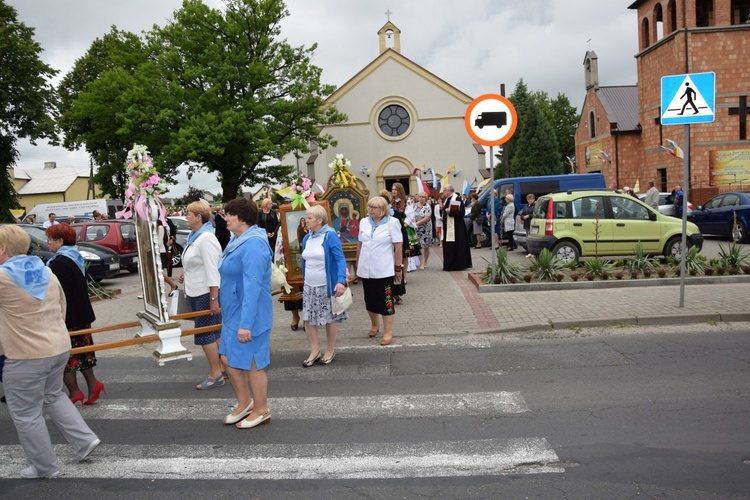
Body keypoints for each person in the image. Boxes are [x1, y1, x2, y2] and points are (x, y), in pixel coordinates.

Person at [0, 225, 101, 479]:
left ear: (2, 248)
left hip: (24, 354)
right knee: (53, 396)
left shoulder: (3, 278)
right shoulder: (46, 271)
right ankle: (84, 439)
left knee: (25, 414)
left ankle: (45, 467)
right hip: (58, 347)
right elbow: (61, 309)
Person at [217, 198, 273, 429]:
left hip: (249, 314)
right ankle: (245, 403)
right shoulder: (238, 239)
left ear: (242, 218)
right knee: (227, 359)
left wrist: (246, 325)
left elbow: (252, 286)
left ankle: (262, 409)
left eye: (229, 214)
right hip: (233, 311)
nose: (226, 218)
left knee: (252, 363)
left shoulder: (254, 244)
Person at [45, 223, 105, 406]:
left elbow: (62, 295)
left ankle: (74, 392)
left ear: (60, 241)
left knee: (66, 358)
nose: (47, 243)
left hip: (69, 318)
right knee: (83, 354)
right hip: (83, 315)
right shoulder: (75, 256)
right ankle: (93, 383)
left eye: (50, 240)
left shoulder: (59, 263)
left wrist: (58, 320)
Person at [178, 201, 224, 391]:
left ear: (199, 217)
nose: (186, 216)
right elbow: (197, 263)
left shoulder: (205, 238)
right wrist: (186, 272)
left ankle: (216, 374)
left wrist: (214, 299)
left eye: (189, 214)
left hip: (206, 292)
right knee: (214, 332)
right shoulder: (194, 237)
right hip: (198, 290)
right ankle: (224, 368)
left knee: (206, 334)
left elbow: (214, 270)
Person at [300, 205, 348, 367]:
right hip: (309, 285)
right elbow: (305, 260)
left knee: (329, 319)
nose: (306, 221)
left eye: (310, 218)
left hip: (325, 285)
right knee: (308, 319)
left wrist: (340, 281)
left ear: (319, 220)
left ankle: (330, 349)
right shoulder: (308, 238)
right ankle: (314, 351)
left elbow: (340, 259)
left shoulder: (329, 236)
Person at [357, 196, 402, 346]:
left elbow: (398, 246)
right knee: (369, 300)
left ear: (383, 210)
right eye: (369, 207)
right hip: (366, 269)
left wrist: (398, 267)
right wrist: (358, 264)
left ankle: (387, 331)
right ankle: (374, 324)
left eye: (374, 207)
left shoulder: (392, 223)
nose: (370, 210)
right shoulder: (363, 222)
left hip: (384, 269)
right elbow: (360, 244)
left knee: (386, 302)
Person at [441, 185, 472, 271]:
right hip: (448, 227)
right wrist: (443, 209)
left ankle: (456, 265)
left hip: (456, 227)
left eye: (444, 190)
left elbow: (461, 212)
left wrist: (450, 212)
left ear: (449, 190)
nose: (443, 192)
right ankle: (449, 264)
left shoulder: (457, 198)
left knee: (455, 246)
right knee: (448, 246)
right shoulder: (447, 199)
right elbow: (446, 211)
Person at [414, 192, 433, 268]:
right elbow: (411, 214)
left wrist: (417, 223)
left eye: (423, 197)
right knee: (418, 245)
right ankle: (421, 262)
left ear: (426, 198)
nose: (421, 198)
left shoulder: (427, 206)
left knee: (425, 245)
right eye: (420, 197)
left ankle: (425, 261)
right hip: (416, 228)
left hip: (425, 228)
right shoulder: (414, 206)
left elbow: (426, 217)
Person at [519, 193, 536, 258]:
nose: (530, 201)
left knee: (532, 239)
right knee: (527, 239)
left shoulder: (535, 206)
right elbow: (522, 214)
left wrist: (528, 216)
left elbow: (535, 214)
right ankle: (529, 252)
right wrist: (523, 217)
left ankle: (533, 252)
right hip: (526, 224)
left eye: (531, 199)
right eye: (529, 199)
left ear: (533, 199)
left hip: (532, 224)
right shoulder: (526, 206)